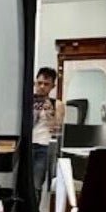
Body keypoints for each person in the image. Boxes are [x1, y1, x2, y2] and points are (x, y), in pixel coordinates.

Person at [32, 66, 65, 197]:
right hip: (25, 145)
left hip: (43, 147)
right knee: (20, 182)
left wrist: (50, 113)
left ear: (52, 86)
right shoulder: (26, 101)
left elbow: (57, 130)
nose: (41, 87)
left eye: (46, 84)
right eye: (39, 83)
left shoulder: (58, 104)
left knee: (36, 184)